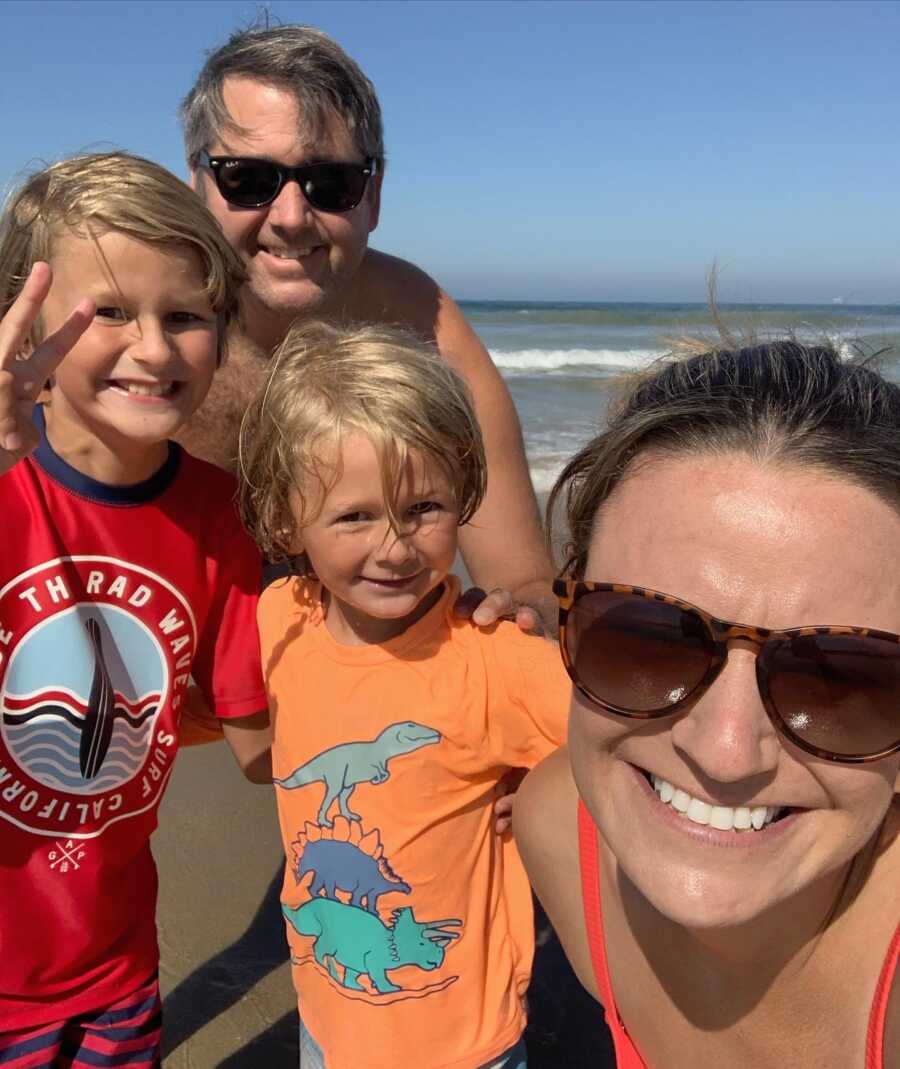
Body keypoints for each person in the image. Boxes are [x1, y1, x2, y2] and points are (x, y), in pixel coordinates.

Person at [514, 341, 900, 1068]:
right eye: (648, 638)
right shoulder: (559, 832)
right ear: (568, 618)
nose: (725, 751)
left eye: (838, 680)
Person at [239, 320, 571, 1069]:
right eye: (354, 515)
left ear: (464, 496)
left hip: (463, 1044)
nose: (394, 546)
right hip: (326, 1016)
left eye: (424, 508)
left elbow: (623, 746)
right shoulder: (278, 619)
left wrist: (558, 785)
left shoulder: (498, 661)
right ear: (287, 516)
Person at [0, 153, 272, 1065]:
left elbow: (264, 746)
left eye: (187, 316)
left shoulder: (218, 518)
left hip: (115, 966)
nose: (154, 349)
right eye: (109, 311)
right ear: (26, 319)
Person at [178, 23, 554, 631]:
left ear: (373, 195)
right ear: (199, 183)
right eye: (247, 179)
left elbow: (521, 579)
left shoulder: (418, 322)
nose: (292, 218)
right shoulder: (128, 322)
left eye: (331, 183)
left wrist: (517, 620)